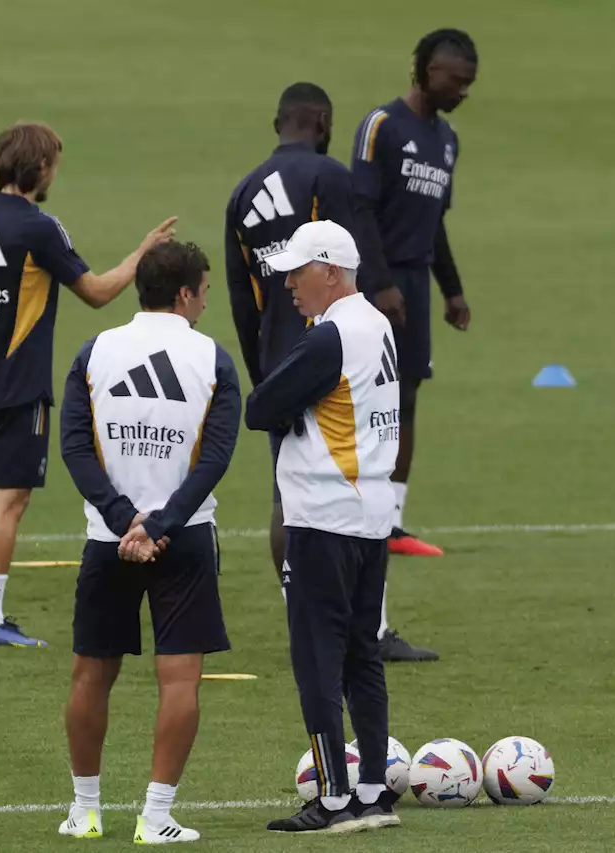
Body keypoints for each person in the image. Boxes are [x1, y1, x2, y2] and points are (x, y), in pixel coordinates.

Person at [0, 122, 177, 647]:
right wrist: (141, 254)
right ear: (40, 167)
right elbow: (94, 292)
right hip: (18, 388)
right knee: (10, 499)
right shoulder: (38, 228)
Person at [57, 240, 239, 843]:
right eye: (204, 292)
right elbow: (215, 457)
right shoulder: (212, 359)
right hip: (183, 540)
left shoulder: (96, 351)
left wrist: (120, 519)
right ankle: (155, 818)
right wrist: (159, 525)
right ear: (185, 293)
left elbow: (76, 447)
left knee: (89, 676)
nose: (205, 303)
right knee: (180, 680)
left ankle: (84, 813)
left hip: (106, 540)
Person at [243, 221, 400, 834]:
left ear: (330, 270)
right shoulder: (378, 324)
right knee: (364, 654)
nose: (287, 283)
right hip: (371, 517)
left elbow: (260, 408)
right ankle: (373, 795)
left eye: (298, 270)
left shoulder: (330, 337)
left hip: (323, 519)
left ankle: (332, 801)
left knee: (317, 659)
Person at [349, 29, 477, 662]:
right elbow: (360, 209)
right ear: (424, 70)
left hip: (415, 287)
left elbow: (437, 224)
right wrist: (377, 284)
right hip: (380, 283)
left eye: (467, 82)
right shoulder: (382, 126)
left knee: (408, 398)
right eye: (453, 78)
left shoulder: (447, 141)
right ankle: (364, 513)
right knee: (373, 401)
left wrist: (450, 290)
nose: (460, 90)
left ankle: (391, 520)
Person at [225, 81, 357, 591]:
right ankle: (361, 621)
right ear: (322, 123)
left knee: (288, 493)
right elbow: (352, 266)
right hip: (337, 357)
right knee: (353, 487)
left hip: (277, 360)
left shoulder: (242, 193)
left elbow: (242, 298)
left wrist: (263, 372)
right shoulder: (330, 176)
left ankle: (294, 604)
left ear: (277, 124)